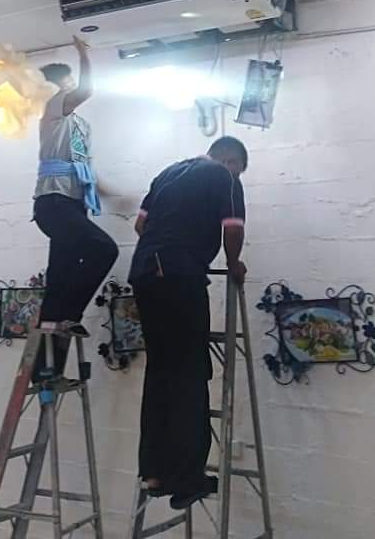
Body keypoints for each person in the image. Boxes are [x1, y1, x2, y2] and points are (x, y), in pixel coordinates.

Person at [129, 136, 248, 510]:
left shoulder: (167, 173)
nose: (238, 176)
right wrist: (234, 264)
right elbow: (232, 228)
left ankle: (154, 472)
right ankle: (186, 478)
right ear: (231, 161)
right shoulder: (224, 177)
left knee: (161, 372)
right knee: (190, 372)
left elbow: (139, 225)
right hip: (179, 277)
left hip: (145, 274)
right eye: (239, 169)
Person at [32, 36, 118, 375]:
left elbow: (86, 171)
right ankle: (71, 314)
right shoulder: (53, 110)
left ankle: (46, 369)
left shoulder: (81, 126)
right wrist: (84, 55)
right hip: (53, 203)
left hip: (73, 204)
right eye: (66, 83)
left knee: (59, 278)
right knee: (104, 249)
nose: (70, 88)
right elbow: (86, 90)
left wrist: (113, 194)